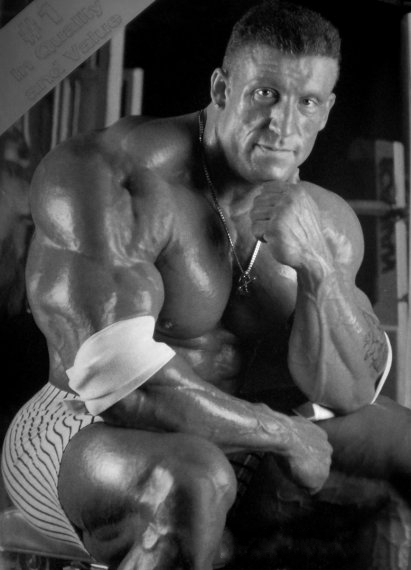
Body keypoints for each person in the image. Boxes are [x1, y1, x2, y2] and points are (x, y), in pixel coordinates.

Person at [2, 1, 410, 568]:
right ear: (221, 88)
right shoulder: (117, 177)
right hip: (85, 428)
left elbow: (352, 391)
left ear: (327, 110)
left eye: (308, 102)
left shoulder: (326, 218)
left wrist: (318, 270)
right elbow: (121, 385)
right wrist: (283, 435)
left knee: (402, 443)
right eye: (266, 94)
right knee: (194, 483)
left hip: (246, 442)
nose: (284, 126)